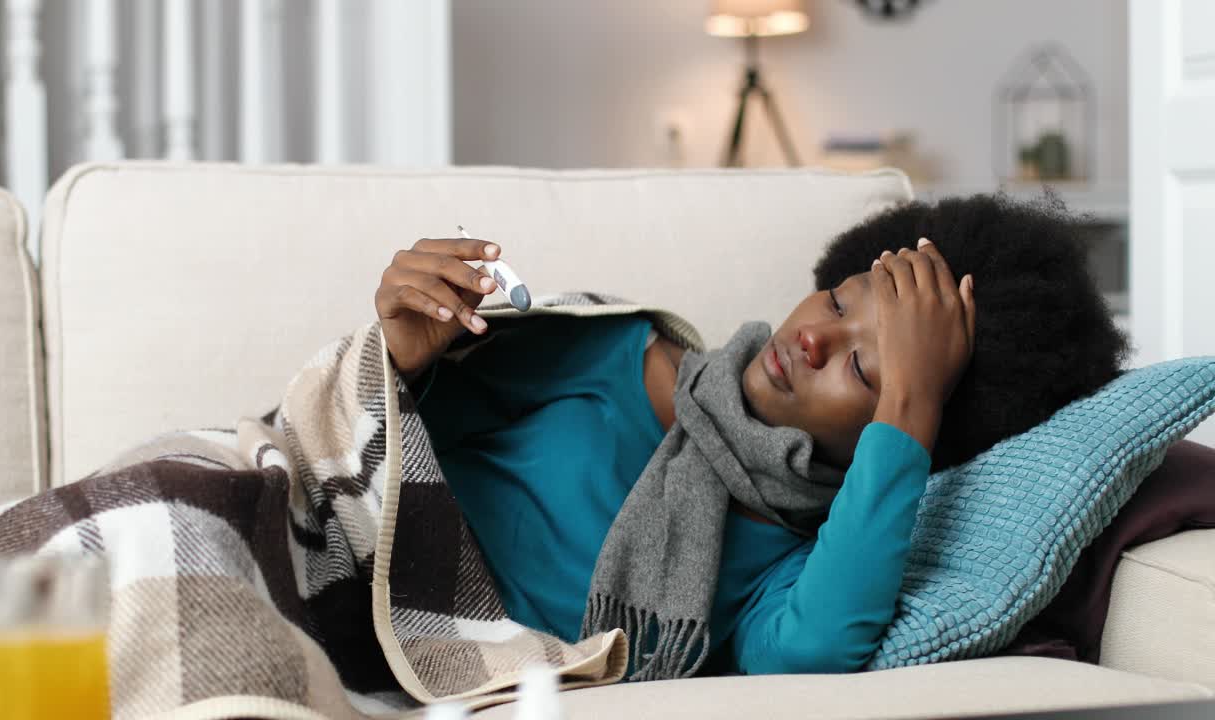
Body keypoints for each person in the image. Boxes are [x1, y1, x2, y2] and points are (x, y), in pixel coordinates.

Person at [373, 193, 1130, 677]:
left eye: (866, 368)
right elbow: (390, 426)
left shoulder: (789, 560)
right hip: (354, 544)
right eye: (837, 299)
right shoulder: (619, 353)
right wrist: (402, 348)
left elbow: (809, 649)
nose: (812, 339)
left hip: (425, 649)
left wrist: (910, 404)